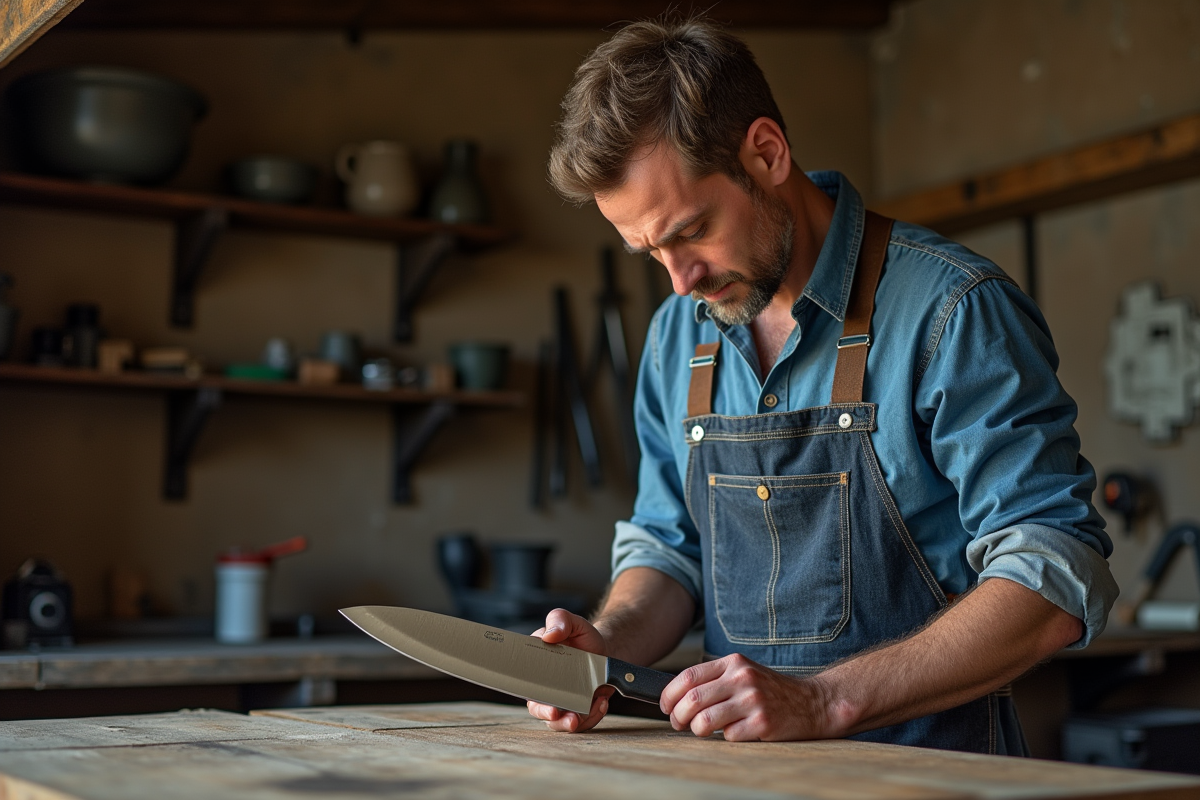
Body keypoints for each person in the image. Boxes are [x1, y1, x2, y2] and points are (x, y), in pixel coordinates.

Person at [527, 17, 1118, 753]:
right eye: (649, 252)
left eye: (691, 231)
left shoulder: (953, 311)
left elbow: (1054, 568)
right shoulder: (678, 338)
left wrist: (824, 701)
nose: (680, 282)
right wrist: (608, 648)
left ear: (767, 153)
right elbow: (670, 550)